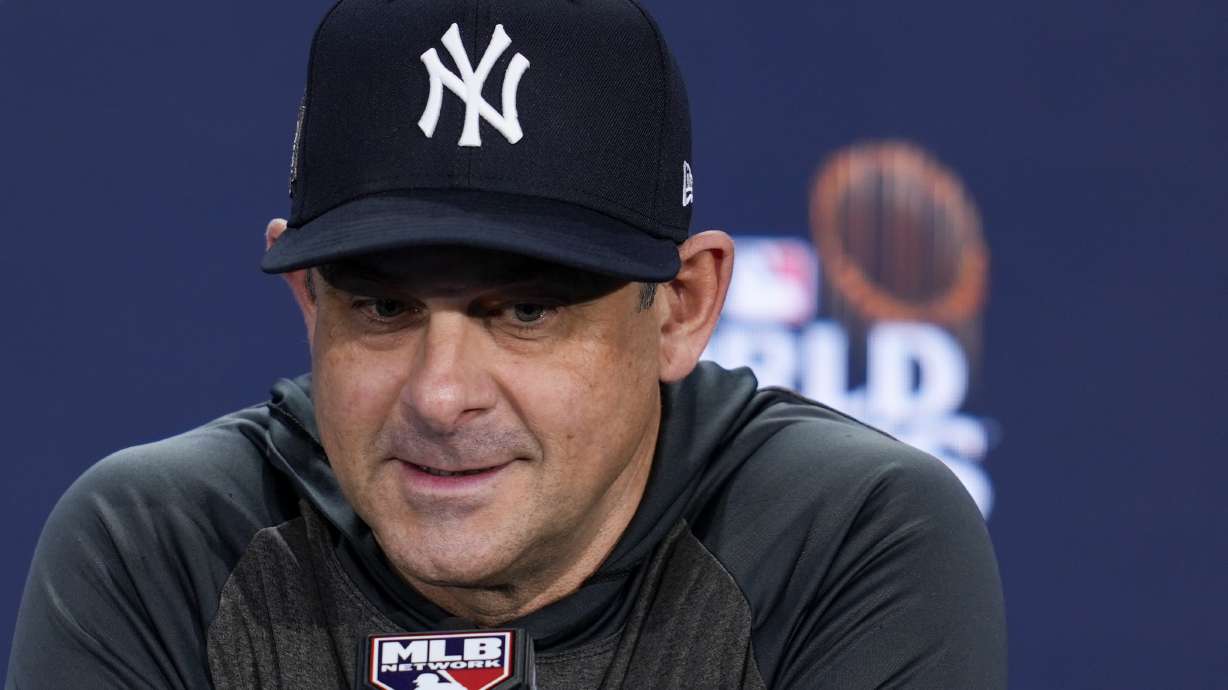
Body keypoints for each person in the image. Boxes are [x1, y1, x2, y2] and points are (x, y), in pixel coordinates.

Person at [6, 0, 1006, 688]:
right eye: (384, 311)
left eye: (525, 313)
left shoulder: (843, 540)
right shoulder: (160, 548)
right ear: (309, 301)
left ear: (683, 308)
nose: (441, 397)